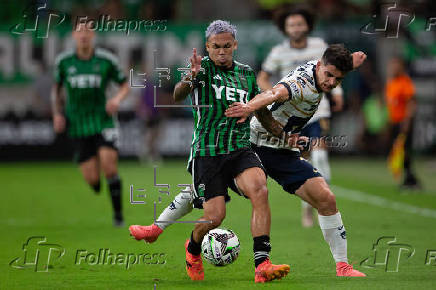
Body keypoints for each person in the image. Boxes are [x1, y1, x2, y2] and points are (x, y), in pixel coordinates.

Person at [130, 44, 367, 277]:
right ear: (318, 65)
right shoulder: (299, 84)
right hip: (250, 144)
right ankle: (159, 230)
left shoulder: (324, 70)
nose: (331, 83)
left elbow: (333, 69)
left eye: (338, 79)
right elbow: (273, 94)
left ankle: (343, 267)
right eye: (329, 75)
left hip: (281, 147)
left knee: (326, 198)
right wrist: (247, 107)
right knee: (207, 197)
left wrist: (351, 63)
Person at [131, 20, 290, 283]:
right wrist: (190, 76)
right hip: (207, 151)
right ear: (208, 47)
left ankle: (262, 264)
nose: (222, 51)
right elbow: (179, 94)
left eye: (227, 46)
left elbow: (260, 111)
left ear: (235, 45)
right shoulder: (201, 69)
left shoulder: (247, 74)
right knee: (215, 218)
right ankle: (192, 249)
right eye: (216, 47)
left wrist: (284, 136)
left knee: (260, 189)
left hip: (239, 149)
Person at [257, 7, 344, 227]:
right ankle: (311, 203)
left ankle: (315, 207)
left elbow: (336, 69)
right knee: (302, 159)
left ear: (308, 25)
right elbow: (262, 78)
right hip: (291, 117)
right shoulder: (278, 52)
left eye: (299, 24)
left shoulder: (319, 46)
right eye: (291, 25)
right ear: (284, 29)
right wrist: (275, 94)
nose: (296, 28)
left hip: (318, 111)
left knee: (321, 155)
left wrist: (337, 93)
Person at [52, 20, 130, 227]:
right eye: (80, 31)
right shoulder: (64, 62)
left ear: (93, 35)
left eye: (87, 31)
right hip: (78, 124)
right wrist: (57, 114)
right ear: (74, 35)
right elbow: (57, 90)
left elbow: (124, 85)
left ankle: (118, 216)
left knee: (109, 167)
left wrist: (116, 100)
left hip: (103, 121)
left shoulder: (106, 60)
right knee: (93, 180)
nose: (84, 35)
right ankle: (96, 182)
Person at [385, 57, 421, 189]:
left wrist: (407, 122)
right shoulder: (390, 82)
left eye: (395, 65)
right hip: (395, 122)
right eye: (391, 65)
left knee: (404, 151)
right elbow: (391, 104)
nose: (392, 68)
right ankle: (408, 178)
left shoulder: (405, 82)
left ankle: (411, 179)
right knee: (398, 151)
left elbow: (412, 103)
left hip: (403, 122)